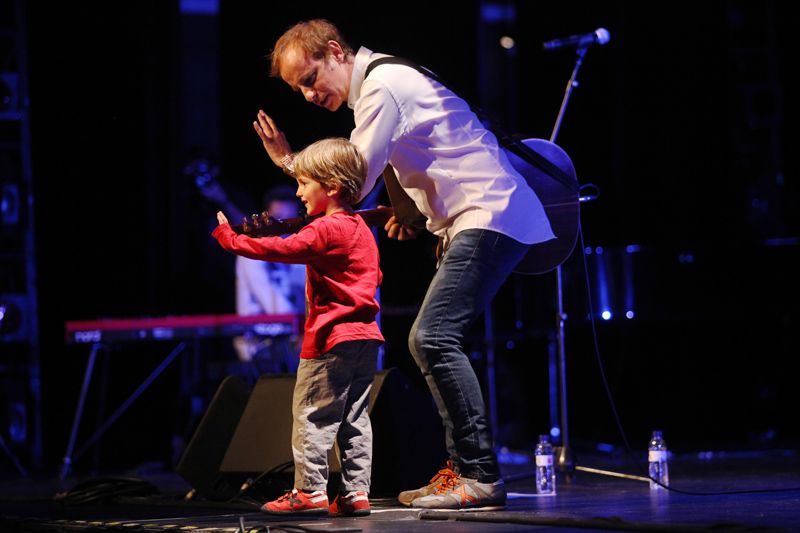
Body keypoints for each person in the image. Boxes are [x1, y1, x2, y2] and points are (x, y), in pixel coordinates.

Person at [253, 19, 555, 510]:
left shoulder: (380, 88)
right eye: (298, 89)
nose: (308, 95)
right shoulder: (383, 84)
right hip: (479, 216)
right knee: (434, 338)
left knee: (432, 337)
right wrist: (410, 212)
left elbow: (349, 183)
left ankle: (479, 475)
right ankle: (464, 472)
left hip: (489, 211)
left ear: (335, 52)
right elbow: (392, 158)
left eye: (310, 79)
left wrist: (289, 164)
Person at [212, 137, 384, 517]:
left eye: (305, 183)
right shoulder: (360, 229)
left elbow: (280, 249)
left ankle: (309, 491)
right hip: (365, 337)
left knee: (311, 413)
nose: (297, 190)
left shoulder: (327, 230)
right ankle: (356, 492)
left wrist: (230, 239)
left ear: (333, 187)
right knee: (355, 416)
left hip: (330, 339)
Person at [196, 174, 306, 372]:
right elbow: (277, 309)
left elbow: (307, 296)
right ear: (267, 219)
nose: (282, 229)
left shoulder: (298, 251)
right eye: (278, 222)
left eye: (288, 224)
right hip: (259, 347)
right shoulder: (251, 255)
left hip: (294, 342)